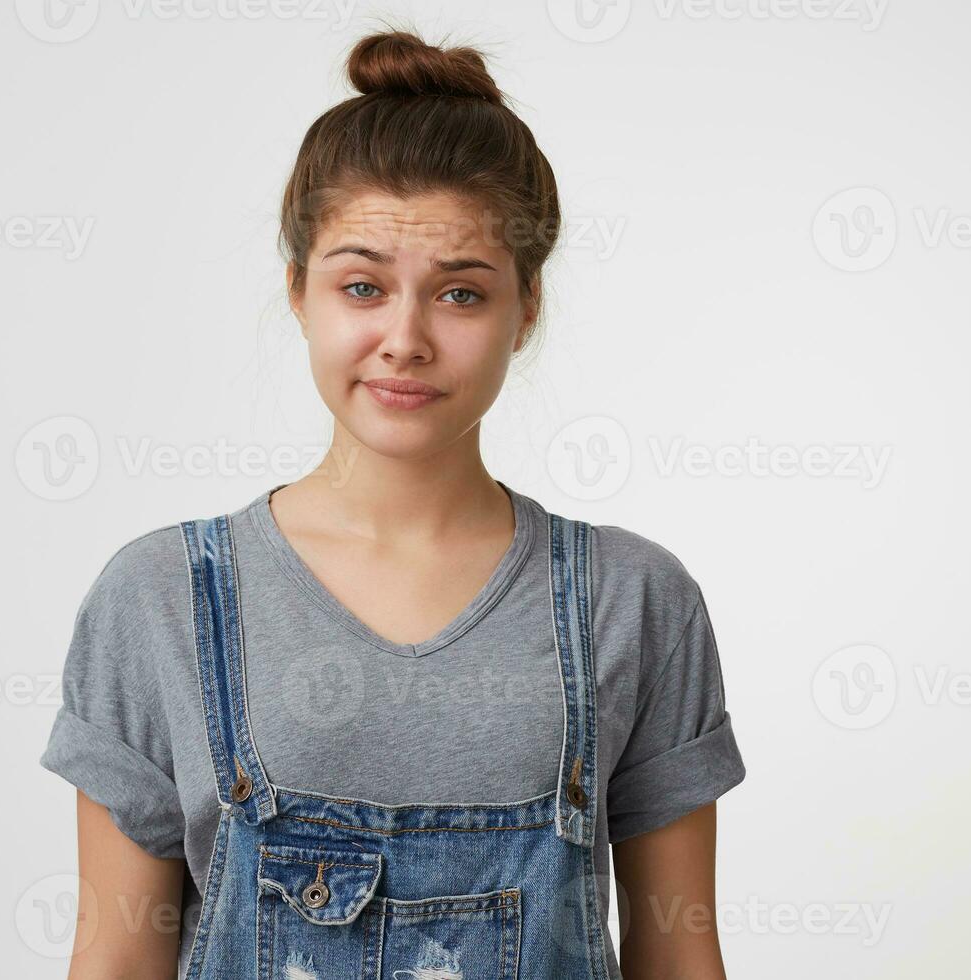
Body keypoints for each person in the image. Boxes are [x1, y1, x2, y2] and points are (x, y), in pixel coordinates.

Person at [40, 25, 745, 980]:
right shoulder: (159, 597)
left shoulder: (634, 600)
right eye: (363, 285)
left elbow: (680, 958)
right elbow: (115, 963)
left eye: (460, 294)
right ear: (299, 291)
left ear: (526, 307)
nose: (404, 340)